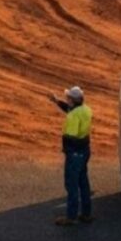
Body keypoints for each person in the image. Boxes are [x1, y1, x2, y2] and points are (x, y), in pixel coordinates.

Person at [48, 85, 93, 225]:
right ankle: (86, 214)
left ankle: (71, 217)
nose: (67, 100)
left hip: (75, 153)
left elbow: (72, 136)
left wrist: (66, 148)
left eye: (68, 98)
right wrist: (56, 101)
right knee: (83, 183)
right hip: (85, 150)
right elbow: (69, 109)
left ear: (73, 100)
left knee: (72, 185)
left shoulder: (73, 116)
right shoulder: (86, 110)